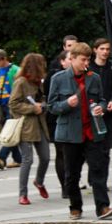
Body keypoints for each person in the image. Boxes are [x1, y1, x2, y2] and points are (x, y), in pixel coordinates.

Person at [48, 42, 112, 221]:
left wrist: (101, 108)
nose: (86, 63)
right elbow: (51, 106)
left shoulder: (94, 78)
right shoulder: (59, 78)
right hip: (70, 134)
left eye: (88, 59)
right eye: (83, 60)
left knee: (98, 170)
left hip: (92, 132)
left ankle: (102, 207)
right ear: (72, 59)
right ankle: (75, 207)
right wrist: (66, 104)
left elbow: (101, 99)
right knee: (72, 174)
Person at [8, 53, 50, 206]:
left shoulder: (39, 82)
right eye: (42, 64)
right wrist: (32, 108)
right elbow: (13, 104)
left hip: (40, 125)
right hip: (26, 126)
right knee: (28, 159)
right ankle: (22, 194)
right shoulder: (21, 82)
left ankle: (39, 181)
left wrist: (43, 106)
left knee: (45, 157)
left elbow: (43, 99)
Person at [89, 38, 112, 176]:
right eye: (102, 49)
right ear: (95, 50)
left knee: (106, 148)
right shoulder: (89, 68)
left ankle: (102, 178)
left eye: (108, 49)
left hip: (109, 112)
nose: (105, 52)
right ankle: (93, 176)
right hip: (93, 112)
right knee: (93, 148)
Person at [0, 49, 22, 170]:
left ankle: (1, 158)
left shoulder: (16, 70)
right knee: (7, 132)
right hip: (0, 105)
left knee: (9, 132)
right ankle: (18, 159)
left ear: (4, 58)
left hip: (12, 105)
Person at [45, 50, 70, 198]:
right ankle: (64, 186)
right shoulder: (54, 76)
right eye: (69, 58)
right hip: (55, 119)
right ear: (62, 61)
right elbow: (50, 99)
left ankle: (72, 181)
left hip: (73, 119)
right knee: (60, 152)